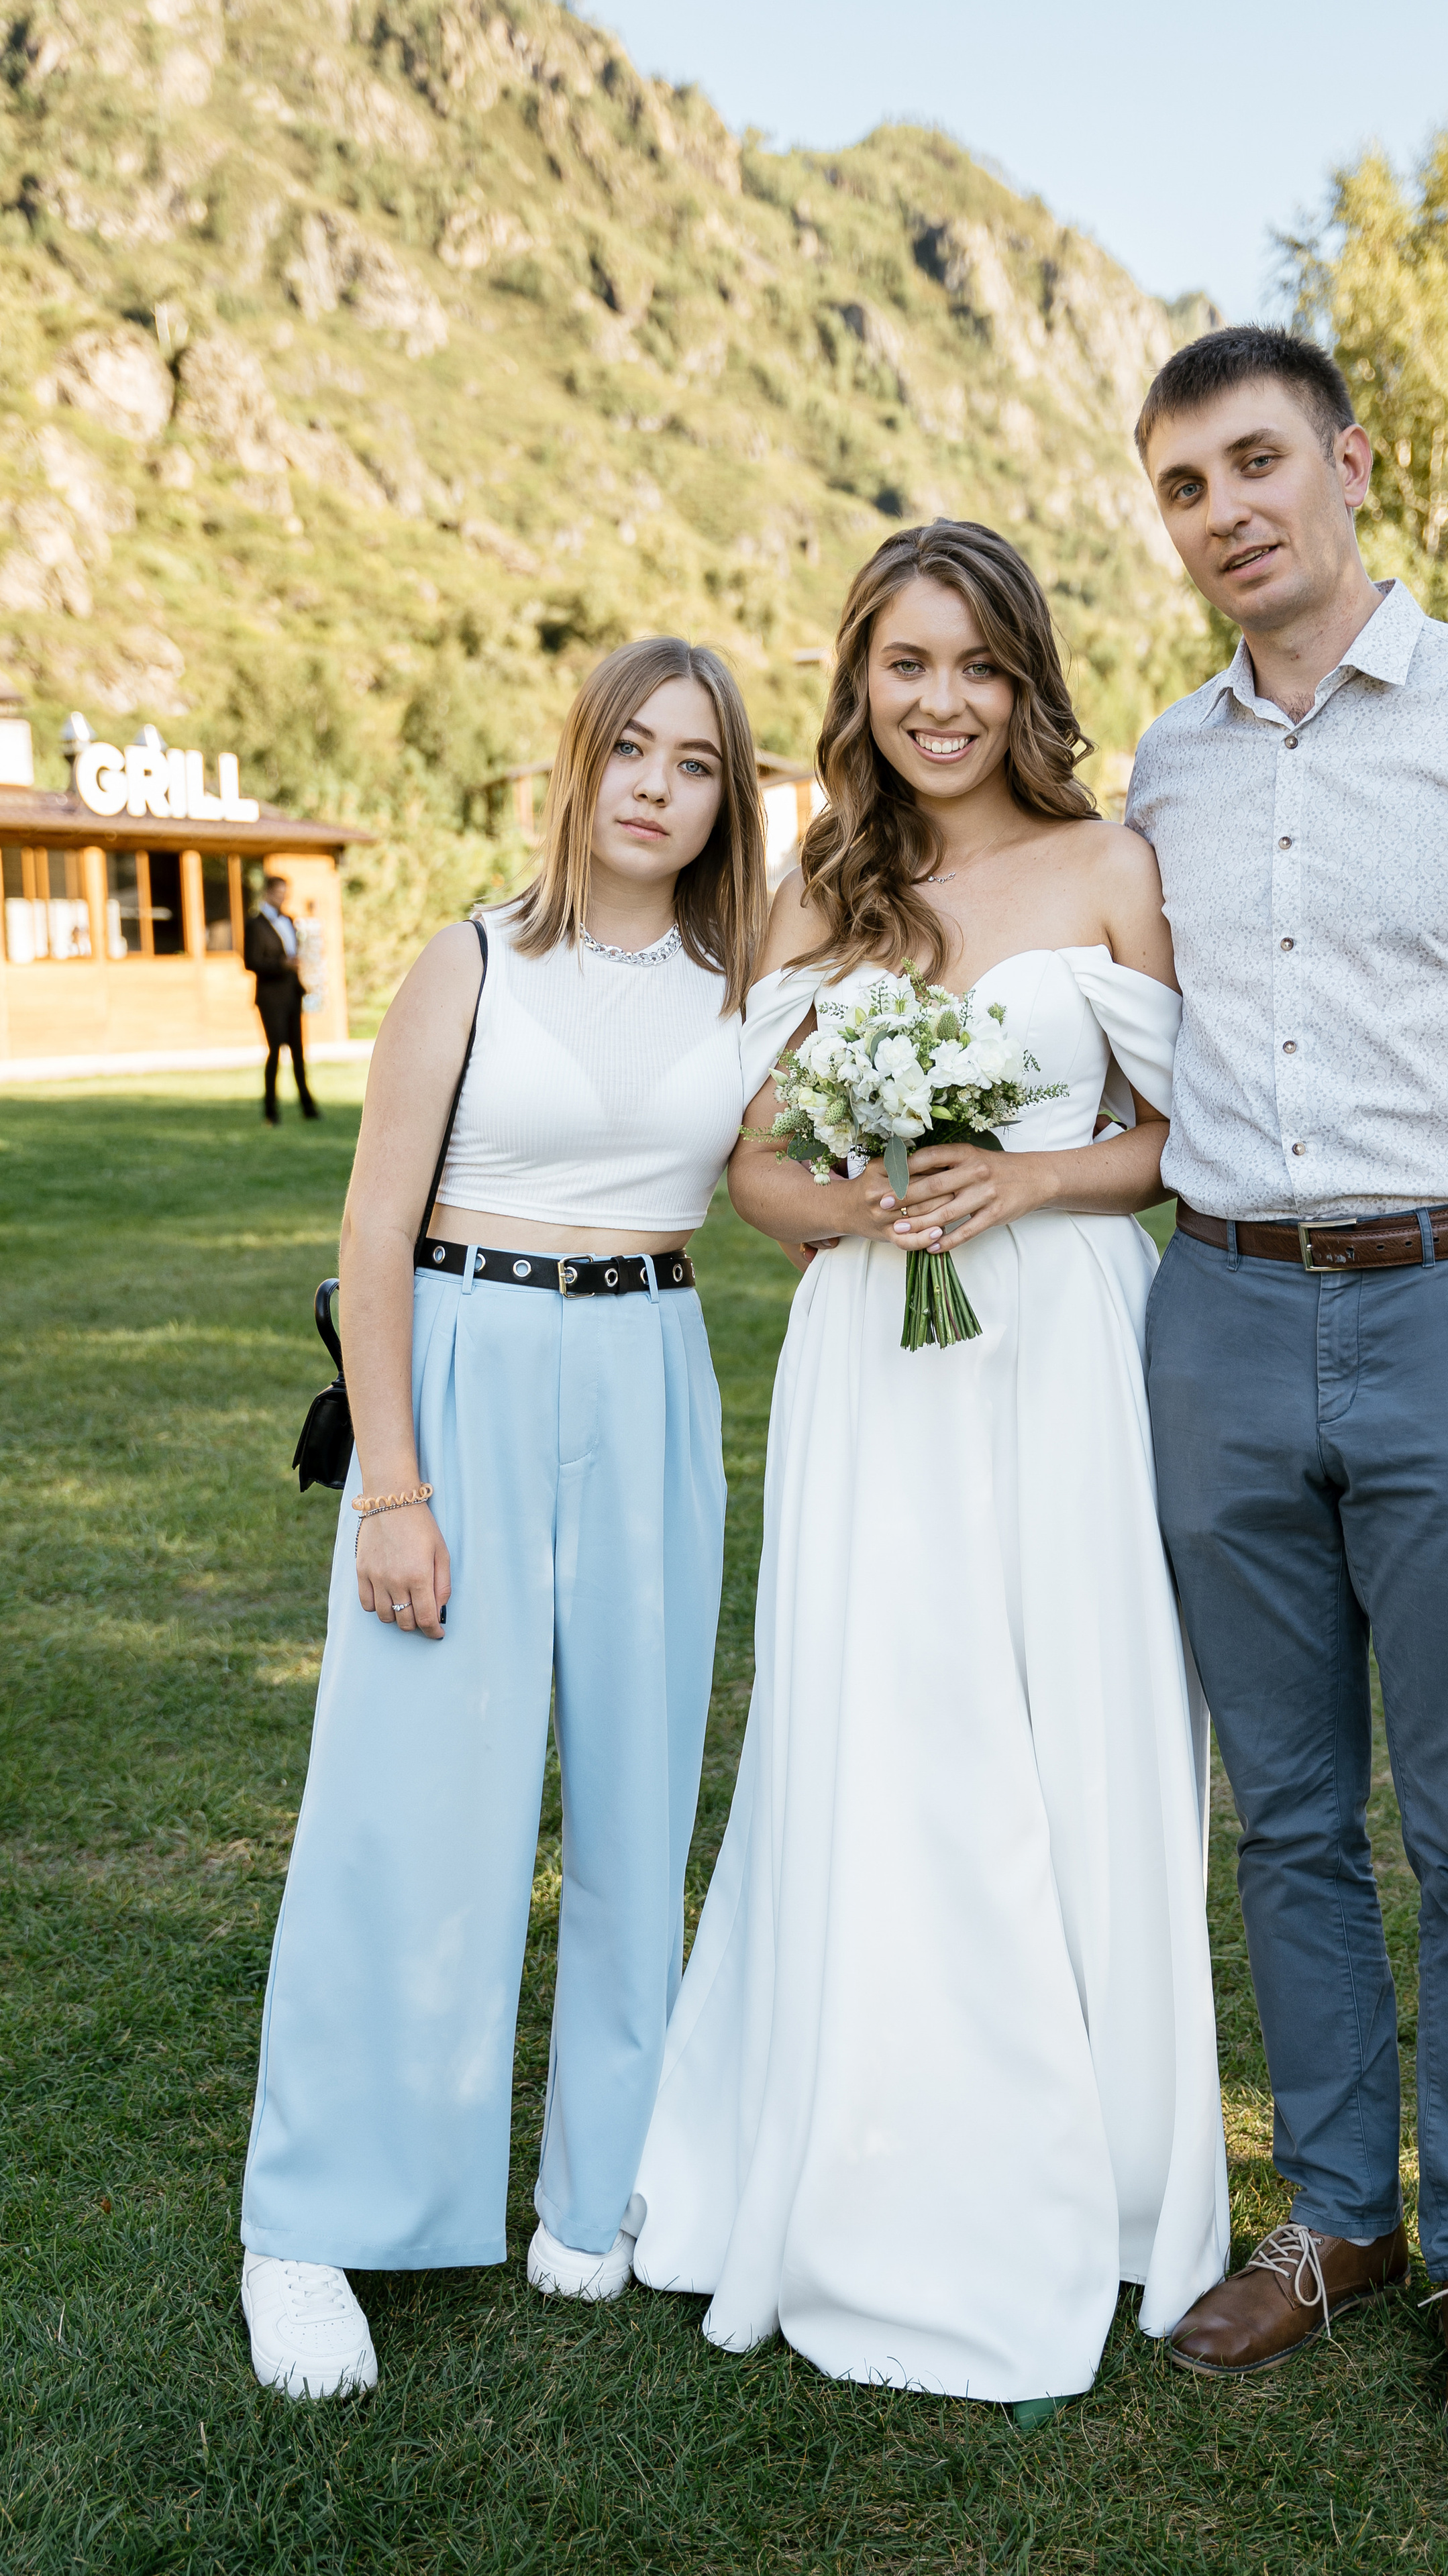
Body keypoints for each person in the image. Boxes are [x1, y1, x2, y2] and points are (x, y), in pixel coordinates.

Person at [1127, 326, 1448, 2467]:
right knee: (1280, 1811)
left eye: (1253, 461)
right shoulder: (1160, 765)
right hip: (1223, 1320)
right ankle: (1339, 2212)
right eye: (1179, 485)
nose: (1223, 509)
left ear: (1349, 465)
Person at [630, 521, 1229, 2424]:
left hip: (1061, 1348)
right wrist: (867, 1204)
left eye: (975, 666)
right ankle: (872, 2126)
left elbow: (1178, 1134)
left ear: (1025, 680)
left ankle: (1110, 2159)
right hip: (874, 1365)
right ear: (861, 687)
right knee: (889, 1725)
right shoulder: (827, 891)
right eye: (906, 666)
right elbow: (753, 1172)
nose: (942, 701)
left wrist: (1026, 1177)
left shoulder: (1111, 864)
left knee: (1071, 1720)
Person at [238, 637, 798, 2399]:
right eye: (631, 747)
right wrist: (392, 1487)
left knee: (639, 1796)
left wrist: (939, 1170)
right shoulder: (470, 959)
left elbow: (772, 1178)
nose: (655, 784)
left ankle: (596, 2188)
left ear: (727, 797)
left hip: (647, 1376)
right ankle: (313, 2219)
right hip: (464, 1376)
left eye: (695, 762)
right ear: (582, 761)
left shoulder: (740, 987)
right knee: (412, 1805)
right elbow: (370, 1238)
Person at [245, 873, 319, 1124]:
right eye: (278, 892)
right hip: (270, 997)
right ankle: (271, 1110)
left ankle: (308, 1107)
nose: (282, 896)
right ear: (267, 892)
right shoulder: (255, 924)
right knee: (275, 1051)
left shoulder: (289, 919)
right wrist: (281, 964)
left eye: (285, 892)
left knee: (299, 1052)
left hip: (292, 994)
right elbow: (251, 961)